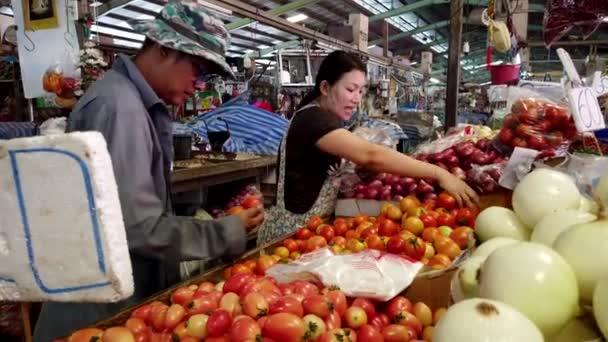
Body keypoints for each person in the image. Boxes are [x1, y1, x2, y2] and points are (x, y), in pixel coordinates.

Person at [34, 3, 263, 339]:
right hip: (96, 311)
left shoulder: (133, 102)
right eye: (197, 69)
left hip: (115, 300)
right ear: (164, 48)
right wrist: (225, 232)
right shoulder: (119, 108)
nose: (199, 85)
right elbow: (138, 227)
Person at [257, 51, 478, 244]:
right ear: (325, 87)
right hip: (290, 235)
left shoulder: (325, 117)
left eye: (361, 91)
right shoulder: (313, 120)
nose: (356, 99)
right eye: (351, 89)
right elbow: (370, 155)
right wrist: (439, 173)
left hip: (314, 229)